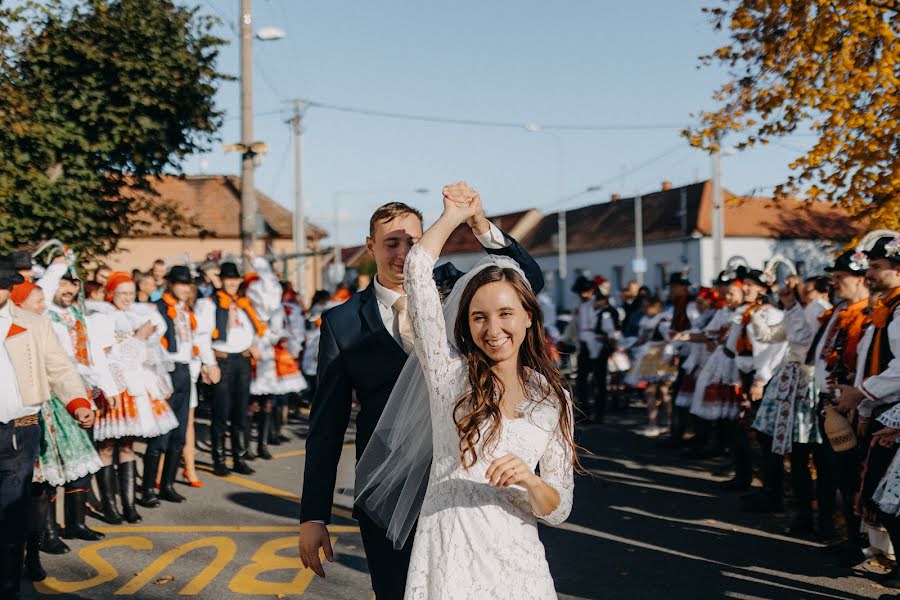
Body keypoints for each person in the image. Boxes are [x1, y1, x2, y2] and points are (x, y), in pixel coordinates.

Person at [297, 190, 544, 599]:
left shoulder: (455, 287)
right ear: (370, 246)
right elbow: (327, 424)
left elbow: (527, 281)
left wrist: (478, 223)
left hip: (467, 476)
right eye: (391, 242)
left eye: (413, 241)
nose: (402, 252)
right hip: (388, 486)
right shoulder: (341, 323)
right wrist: (313, 516)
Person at [374, 184, 575, 598]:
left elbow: (559, 509)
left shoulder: (553, 397)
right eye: (479, 317)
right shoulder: (448, 375)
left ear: (528, 319)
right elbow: (417, 272)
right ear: (465, 324)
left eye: (505, 314)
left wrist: (529, 481)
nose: (493, 329)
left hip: (520, 561)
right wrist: (452, 216)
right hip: (450, 554)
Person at [0, 255, 91, 599]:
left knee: (11, 518)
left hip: (20, 433)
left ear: (10, 288)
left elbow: (60, 369)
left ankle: (8, 589)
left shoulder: (34, 324)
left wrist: (78, 402)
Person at [834, 236, 900, 573]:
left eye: (876, 267)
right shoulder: (887, 308)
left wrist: (861, 395)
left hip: (893, 411)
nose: (869, 273)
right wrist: (861, 407)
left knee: (888, 501)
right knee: (879, 496)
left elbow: (899, 368)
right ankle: (877, 555)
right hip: (881, 409)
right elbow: (868, 364)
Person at [749, 275, 832, 518]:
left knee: (811, 453)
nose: (799, 294)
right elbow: (770, 335)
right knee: (788, 449)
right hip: (790, 381)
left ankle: (818, 515)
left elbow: (806, 338)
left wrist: (792, 306)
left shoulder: (822, 312)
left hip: (810, 384)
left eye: (805, 291)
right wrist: (758, 314)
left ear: (822, 292)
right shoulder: (801, 312)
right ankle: (795, 506)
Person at [97, 272, 177, 518]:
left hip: (136, 386)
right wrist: (138, 338)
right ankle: (110, 507)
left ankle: (129, 506)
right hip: (113, 385)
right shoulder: (102, 317)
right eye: (122, 293)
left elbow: (147, 357)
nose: (127, 298)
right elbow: (108, 356)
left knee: (128, 445)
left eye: (131, 293)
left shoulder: (139, 315)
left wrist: (159, 380)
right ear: (111, 293)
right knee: (108, 446)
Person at [195, 256, 266, 477]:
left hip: (242, 360)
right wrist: (209, 363)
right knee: (220, 412)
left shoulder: (244, 303)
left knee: (241, 412)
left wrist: (254, 344)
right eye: (228, 279)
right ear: (221, 281)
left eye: (235, 279)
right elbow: (201, 337)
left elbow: (252, 330)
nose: (232, 283)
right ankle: (219, 458)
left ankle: (239, 457)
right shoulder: (208, 303)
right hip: (222, 360)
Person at [140, 265, 204, 505]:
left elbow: (195, 341)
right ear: (170, 284)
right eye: (180, 283)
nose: (185, 288)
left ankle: (168, 484)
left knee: (179, 432)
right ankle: (148, 489)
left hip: (185, 370)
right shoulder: (156, 309)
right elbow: (150, 344)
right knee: (159, 432)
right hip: (165, 369)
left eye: (188, 284)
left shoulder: (186, 310)